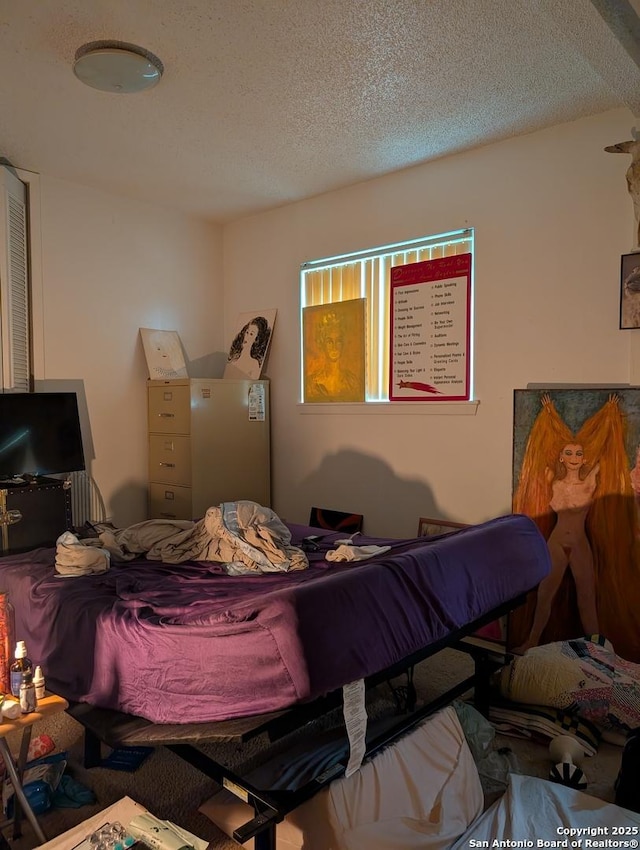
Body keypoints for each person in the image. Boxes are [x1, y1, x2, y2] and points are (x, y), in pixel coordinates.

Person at [512, 392, 640, 659]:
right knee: (544, 597)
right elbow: (546, 442)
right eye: (568, 452)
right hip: (557, 543)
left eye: (578, 453)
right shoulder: (553, 480)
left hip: (580, 544)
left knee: (587, 600)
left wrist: (608, 413)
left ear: (584, 459)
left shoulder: (591, 480)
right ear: (561, 458)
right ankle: (530, 643)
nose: (573, 456)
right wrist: (549, 414)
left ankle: (598, 652)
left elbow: (605, 445)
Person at [304, 309, 364, 402]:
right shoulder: (311, 384)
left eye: (338, 341)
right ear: (322, 344)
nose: (334, 347)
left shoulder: (353, 382)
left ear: (343, 343)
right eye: (329, 342)